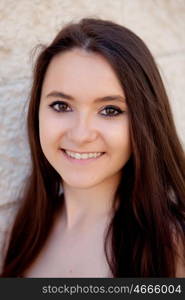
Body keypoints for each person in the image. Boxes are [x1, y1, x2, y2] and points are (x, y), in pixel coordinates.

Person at [1, 18, 185, 278]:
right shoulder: (22, 231)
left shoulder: (171, 246)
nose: (81, 134)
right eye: (61, 106)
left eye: (110, 110)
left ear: (144, 122)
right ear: (37, 113)